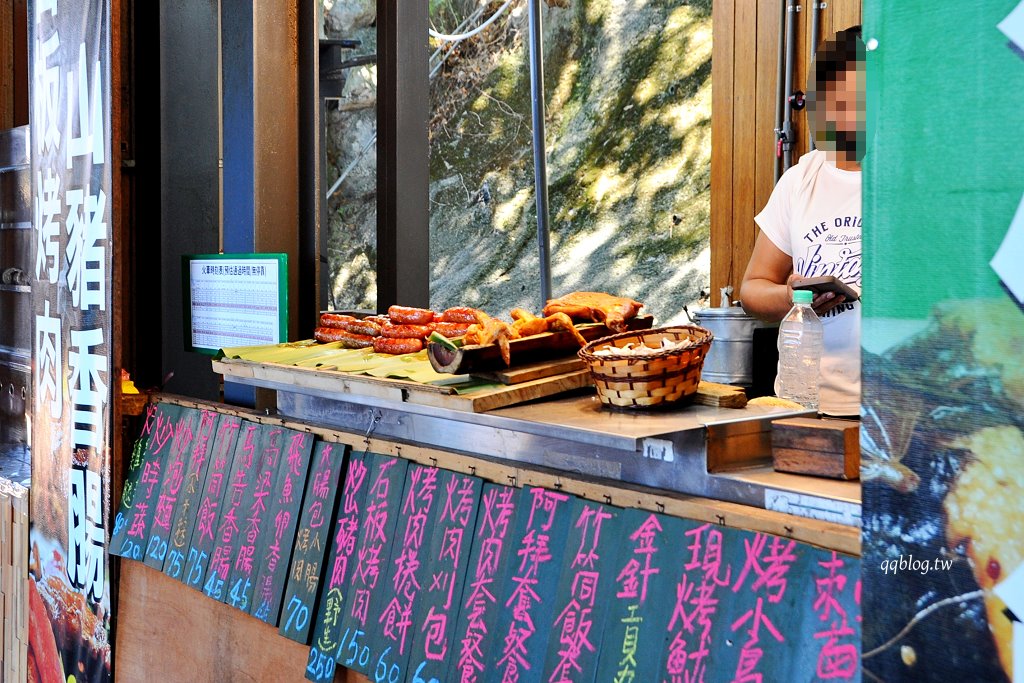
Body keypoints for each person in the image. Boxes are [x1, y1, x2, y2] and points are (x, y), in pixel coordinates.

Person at [740, 26, 865, 416]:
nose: (839, 112)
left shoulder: (914, 180)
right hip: (803, 405)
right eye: (830, 99)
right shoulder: (800, 178)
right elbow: (752, 289)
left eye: (855, 99)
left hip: (892, 409)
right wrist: (794, 296)